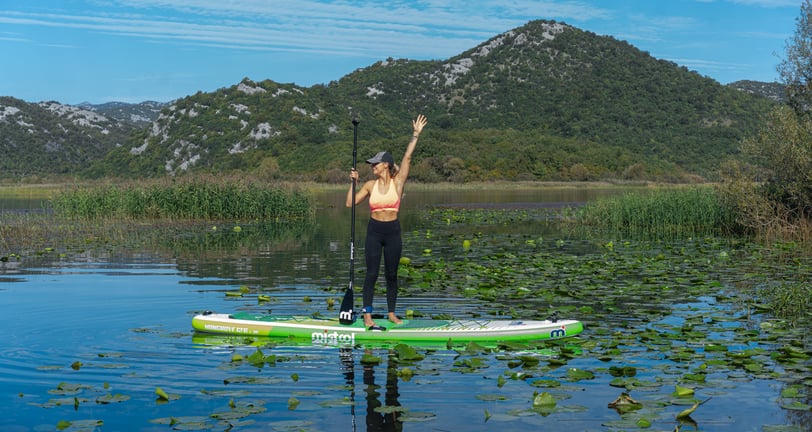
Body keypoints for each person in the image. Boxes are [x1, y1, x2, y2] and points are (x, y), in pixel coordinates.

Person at [347, 114, 428, 330]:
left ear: (386, 165)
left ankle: (392, 314)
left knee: (391, 274)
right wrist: (353, 183)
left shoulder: (398, 182)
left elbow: (408, 158)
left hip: (393, 231)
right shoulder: (370, 185)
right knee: (372, 273)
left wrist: (415, 135)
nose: (372, 166)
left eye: (375, 163)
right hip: (374, 231)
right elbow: (349, 204)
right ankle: (367, 316)